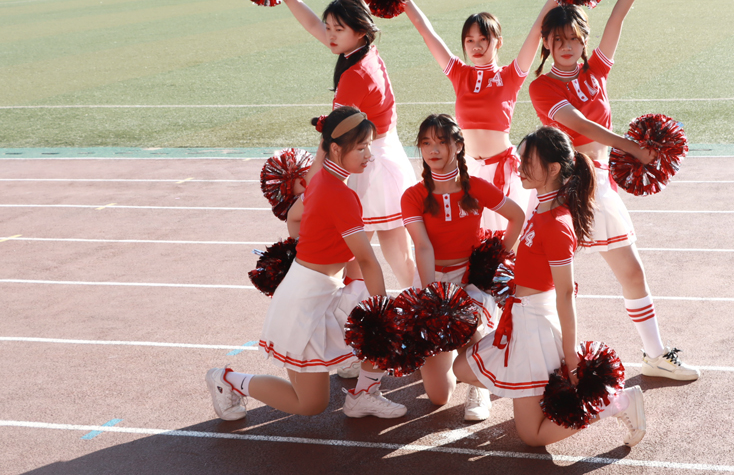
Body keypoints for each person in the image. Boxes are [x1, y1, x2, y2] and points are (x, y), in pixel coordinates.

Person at [528, 0, 699, 381]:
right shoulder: (542, 88)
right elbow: (581, 126)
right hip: (563, 190)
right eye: (557, 40)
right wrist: (632, 148)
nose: (566, 46)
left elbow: (618, 17)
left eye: (573, 38)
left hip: (600, 187)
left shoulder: (596, 73)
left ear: (583, 40)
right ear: (546, 43)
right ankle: (526, 357)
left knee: (632, 272)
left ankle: (655, 354)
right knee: (542, 281)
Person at [206, 106, 408, 421]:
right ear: (336, 149)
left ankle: (363, 396)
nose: (369, 155)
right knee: (310, 404)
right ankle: (228, 380)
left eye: (369, 145)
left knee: (375, 331)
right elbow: (367, 259)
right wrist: (382, 313)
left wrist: (312, 248)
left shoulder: (320, 179)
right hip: (305, 301)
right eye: (361, 147)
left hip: (322, 289)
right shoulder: (339, 193)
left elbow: (294, 215)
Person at [453, 126, 646, 447]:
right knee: (463, 368)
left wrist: (570, 354)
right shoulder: (540, 208)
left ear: (553, 169)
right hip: (520, 320)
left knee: (532, 436)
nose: (520, 166)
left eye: (528, 161)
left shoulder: (557, 224)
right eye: (520, 159)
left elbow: (566, 293)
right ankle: (535, 396)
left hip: (535, 328)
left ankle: (616, 403)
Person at [275, 0, 417, 296]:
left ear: (360, 30)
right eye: (329, 27)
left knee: (356, 256)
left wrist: (311, 181)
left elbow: (334, 137)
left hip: (368, 164)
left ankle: (366, 313)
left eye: (338, 29)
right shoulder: (364, 51)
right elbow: (313, 25)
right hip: (384, 158)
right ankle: (427, 307)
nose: (330, 35)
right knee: (399, 256)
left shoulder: (355, 75)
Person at [401, 113, 525, 421]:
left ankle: (479, 385)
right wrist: (431, 299)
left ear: (458, 146)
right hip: (431, 278)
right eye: (426, 143)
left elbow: (517, 216)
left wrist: (495, 259)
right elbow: (423, 247)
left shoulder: (477, 187)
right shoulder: (413, 196)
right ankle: (453, 358)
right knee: (438, 397)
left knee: (472, 328)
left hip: (469, 279)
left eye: (441, 142)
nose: (432, 150)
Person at [402, 0, 559, 231]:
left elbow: (536, 31)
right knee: (472, 238)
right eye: (469, 40)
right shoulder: (460, 73)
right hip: (467, 171)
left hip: (503, 171)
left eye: (483, 39)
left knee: (509, 239)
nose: (476, 46)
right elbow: (426, 31)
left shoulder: (511, 75)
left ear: (499, 42)